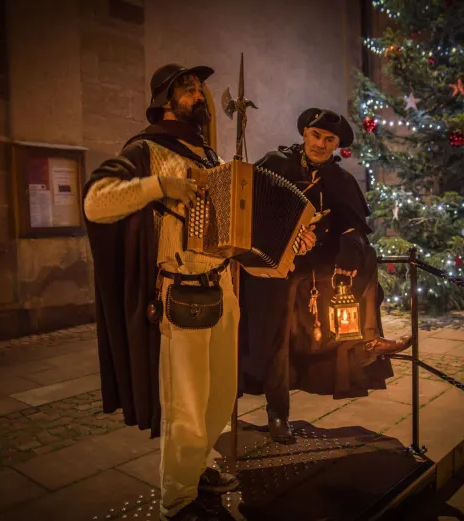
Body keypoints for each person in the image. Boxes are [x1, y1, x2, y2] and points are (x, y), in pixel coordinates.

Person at [82, 64, 316, 521]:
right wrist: (156, 186)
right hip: (179, 293)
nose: (200, 94)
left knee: (218, 398)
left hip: (223, 291)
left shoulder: (211, 159)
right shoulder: (144, 149)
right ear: (164, 100)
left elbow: (241, 242)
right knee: (186, 407)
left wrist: (291, 244)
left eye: (201, 87)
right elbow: (96, 201)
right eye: (188, 87)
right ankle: (179, 502)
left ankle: (201, 467)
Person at [238, 108, 412, 444]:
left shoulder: (339, 180)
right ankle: (278, 414)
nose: (321, 143)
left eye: (329, 139)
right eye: (316, 135)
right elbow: (247, 205)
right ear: (304, 132)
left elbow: (355, 225)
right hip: (275, 265)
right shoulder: (275, 164)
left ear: (336, 145)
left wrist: (344, 243)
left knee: (365, 264)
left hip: (316, 266)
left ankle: (366, 342)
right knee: (274, 333)